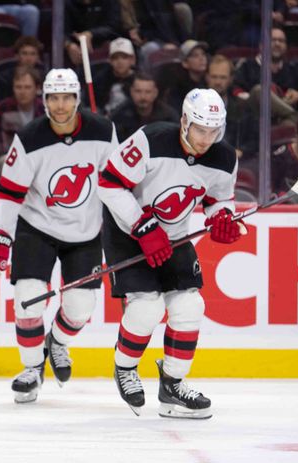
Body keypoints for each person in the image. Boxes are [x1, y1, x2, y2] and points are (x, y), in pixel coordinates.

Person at [98, 88, 242, 419]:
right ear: (184, 121)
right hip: (127, 231)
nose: (206, 139)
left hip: (174, 236)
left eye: (213, 131)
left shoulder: (223, 158)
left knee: (190, 305)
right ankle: (125, 367)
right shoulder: (151, 139)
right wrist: (142, 227)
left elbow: (219, 198)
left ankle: (172, 384)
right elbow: (109, 184)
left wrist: (222, 216)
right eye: (200, 129)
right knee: (147, 307)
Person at [0, 69, 117, 403]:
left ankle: (56, 341)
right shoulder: (30, 136)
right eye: (54, 98)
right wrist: (1, 234)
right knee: (28, 297)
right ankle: (32, 368)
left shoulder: (103, 131)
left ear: (77, 99)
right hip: (37, 227)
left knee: (80, 308)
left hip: (85, 231)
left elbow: (118, 184)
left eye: (67, 98)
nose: (60, 106)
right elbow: (8, 192)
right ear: (44, 101)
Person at [0, 65, 44, 154]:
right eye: (18, 87)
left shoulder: (45, 109)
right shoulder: (1, 109)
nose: (22, 92)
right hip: (8, 156)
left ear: (37, 88)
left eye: (27, 87)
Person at [110, 72, 178, 141]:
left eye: (148, 92)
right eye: (138, 91)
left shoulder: (169, 117)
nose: (143, 96)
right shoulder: (119, 116)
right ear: (131, 92)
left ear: (155, 93)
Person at [93, 37, 136, 116]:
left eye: (124, 57)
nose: (120, 62)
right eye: (115, 58)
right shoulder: (100, 80)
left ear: (132, 59)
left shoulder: (139, 81)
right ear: (110, 60)